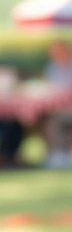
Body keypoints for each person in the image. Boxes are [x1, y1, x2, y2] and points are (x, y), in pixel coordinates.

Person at [43, 40, 72, 168]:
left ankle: (63, 154)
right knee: (47, 118)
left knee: (57, 118)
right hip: (58, 106)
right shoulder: (52, 68)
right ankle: (56, 154)